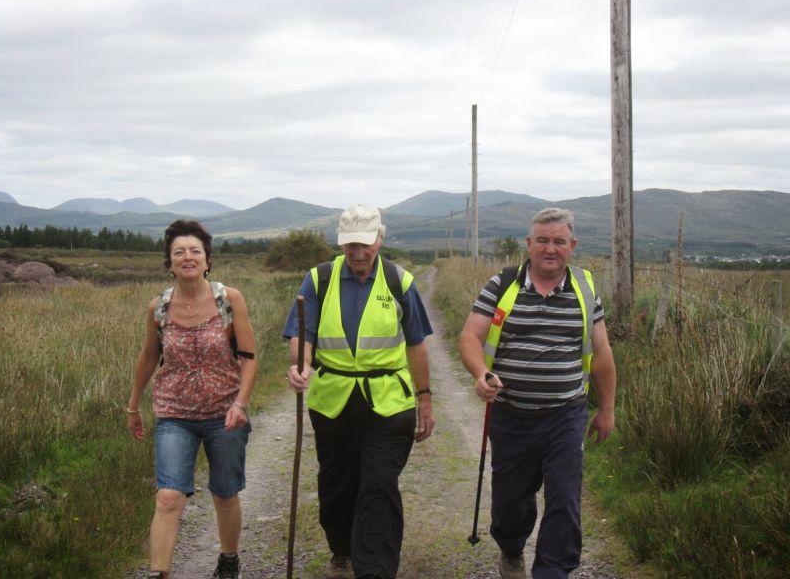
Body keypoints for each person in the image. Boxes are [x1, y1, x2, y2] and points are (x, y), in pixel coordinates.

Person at [458, 207, 616, 579]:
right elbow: (469, 337)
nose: (550, 249)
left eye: (559, 241)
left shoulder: (585, 289)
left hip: (565, 415)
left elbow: (602, 353)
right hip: (511, 414)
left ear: (572, 246)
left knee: (564, 497)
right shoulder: (502, 285)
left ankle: (553, 570)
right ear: (529, 244)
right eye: (542, 240)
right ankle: (512, 549)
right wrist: (481, 374)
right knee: (511, 500)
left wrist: (606, 409)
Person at [283, 204, 435, 579]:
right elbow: (303, 334)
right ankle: (341, 549)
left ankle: (375, 569)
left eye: (365, 244)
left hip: (389, 403)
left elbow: (416, 344)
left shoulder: (400, 282)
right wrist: (301, 364)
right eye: (351, 245)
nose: (358, 253)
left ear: (379, 240)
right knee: (338, 483)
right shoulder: (318, 280)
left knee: (379, 484)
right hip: (332, 402)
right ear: (340, 243)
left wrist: (425, 399)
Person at [127, 219, 257, 579]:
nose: (188, 257)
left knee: (225, 493)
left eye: (195, 251)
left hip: (225, 413)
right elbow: (149, 357)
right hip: (175, 414)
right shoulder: (158, 307)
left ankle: (228, 561)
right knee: (168, 497)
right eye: (179, 252)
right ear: (169, 262)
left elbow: (249, 356)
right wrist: (133, 405)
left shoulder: (229, 299)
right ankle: (159, 573)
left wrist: (241, 403)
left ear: (207, 259)